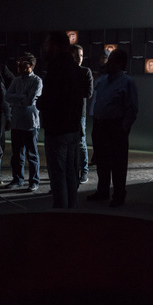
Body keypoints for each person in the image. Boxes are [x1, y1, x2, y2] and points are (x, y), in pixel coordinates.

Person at [37, 32, 91, 208]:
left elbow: (52, 99)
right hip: (72, 128)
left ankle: (61, 213)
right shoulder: (75, 68)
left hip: (57, 130)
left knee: (58, 174)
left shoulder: (56, 68)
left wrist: (40, 102)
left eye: (47, 44)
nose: (45, 48)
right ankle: (71, 210)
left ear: (55, 45)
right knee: (70, 172)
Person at [87, 48, 138, 207]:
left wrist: (123, 128)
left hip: (115, 127)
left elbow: (132, 109)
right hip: (100, 125)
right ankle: (103, 191)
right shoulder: (103, 81)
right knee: (102, 161)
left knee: (118, 163)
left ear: (120, 64)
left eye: (112, 61)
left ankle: (119, 194)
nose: (108, 63)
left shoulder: (127, 82)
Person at [5, 53, 43, 191]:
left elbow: (30, 101)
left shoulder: (37, 81)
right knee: (17, 155)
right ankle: (18, 179)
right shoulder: (16, 80)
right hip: (16, 122)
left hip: (30, 123)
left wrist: (17, 99)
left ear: (31, 65)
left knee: (32, 154)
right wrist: (22, 97)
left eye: (22, 63)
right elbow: (7, 96)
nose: (19, 65)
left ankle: (34, 181)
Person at [69, 43, 93, 183]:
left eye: (81, 55)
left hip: (79, 113)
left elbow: (88, 92)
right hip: (68, 112)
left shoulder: (85, 71)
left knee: (81, 143)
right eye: (76, 55)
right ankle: (73, 172)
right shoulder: (67, 72)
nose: (79, 58)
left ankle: (84, 171)